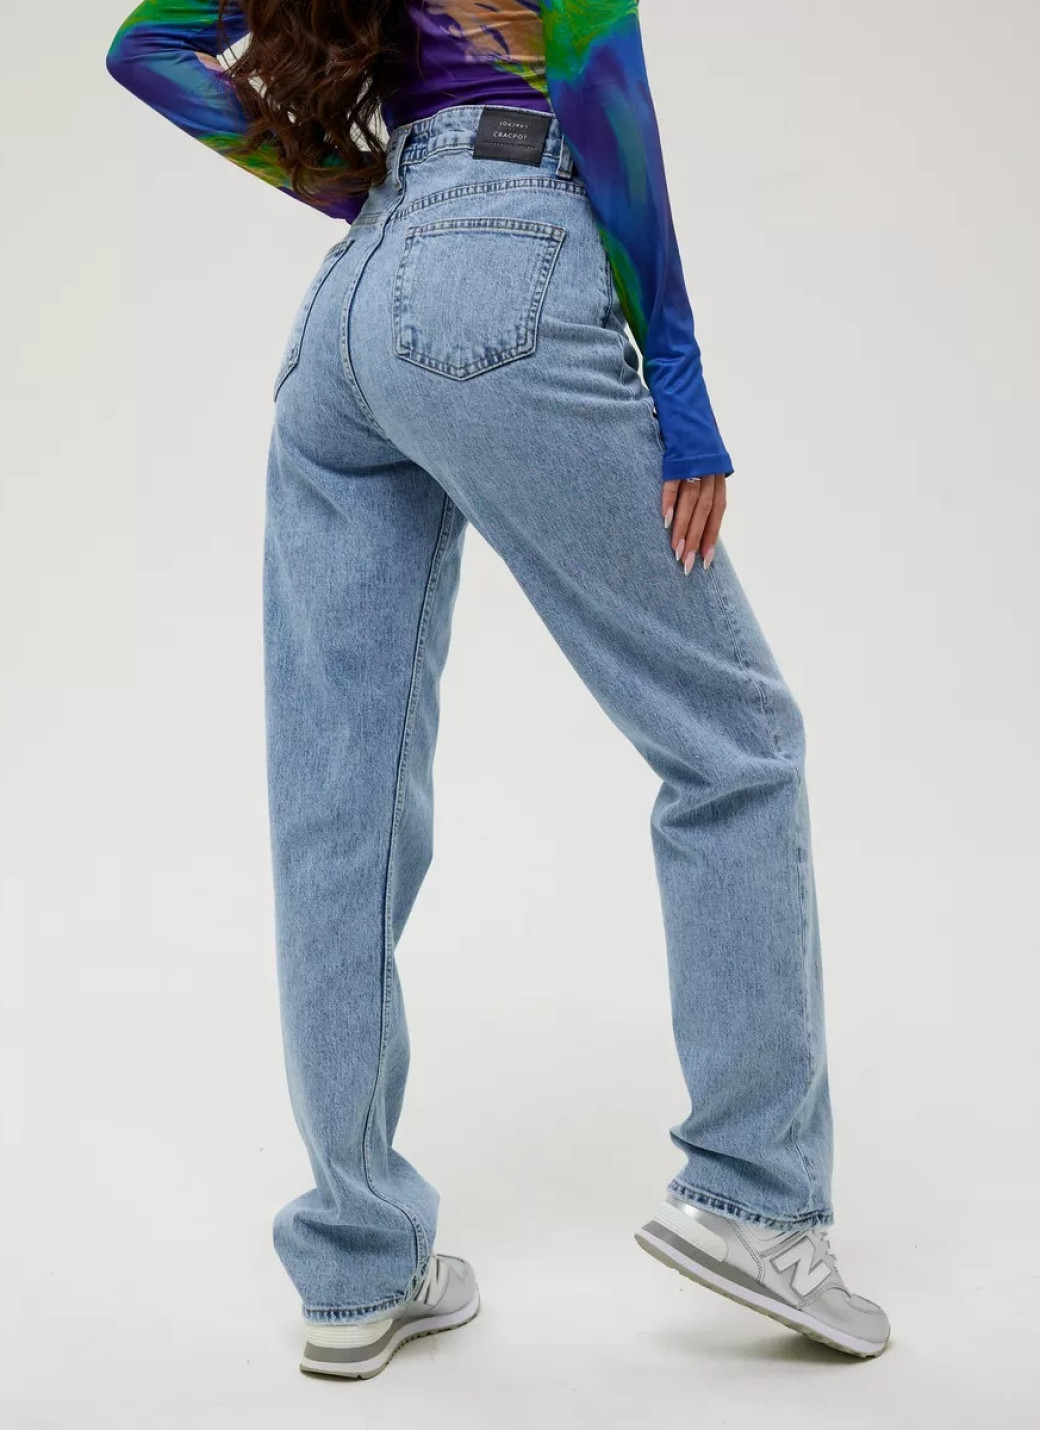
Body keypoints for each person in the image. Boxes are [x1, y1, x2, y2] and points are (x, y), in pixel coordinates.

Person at [105, 0, 891, 1377]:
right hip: (503, 265)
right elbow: (602, 92)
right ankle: (757, 1196)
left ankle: (354, 1265)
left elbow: (150, 44)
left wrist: (357, 191)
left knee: (338, 804)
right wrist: (683, 387)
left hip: (347, 314)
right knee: (737, 744)